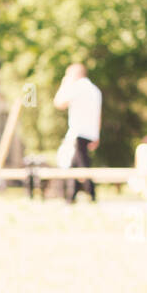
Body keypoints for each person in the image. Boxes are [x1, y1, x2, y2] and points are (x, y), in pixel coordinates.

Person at [53, 62, 102, 203]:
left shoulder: (77, 87)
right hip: (89, 133)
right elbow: (99, 115)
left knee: (82, 166)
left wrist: (64, 83)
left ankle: (91, 196)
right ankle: (71, 197)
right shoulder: (95, 90)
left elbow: (59, 102)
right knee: (74, 165)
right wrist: (96, 136)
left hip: (77, 132)